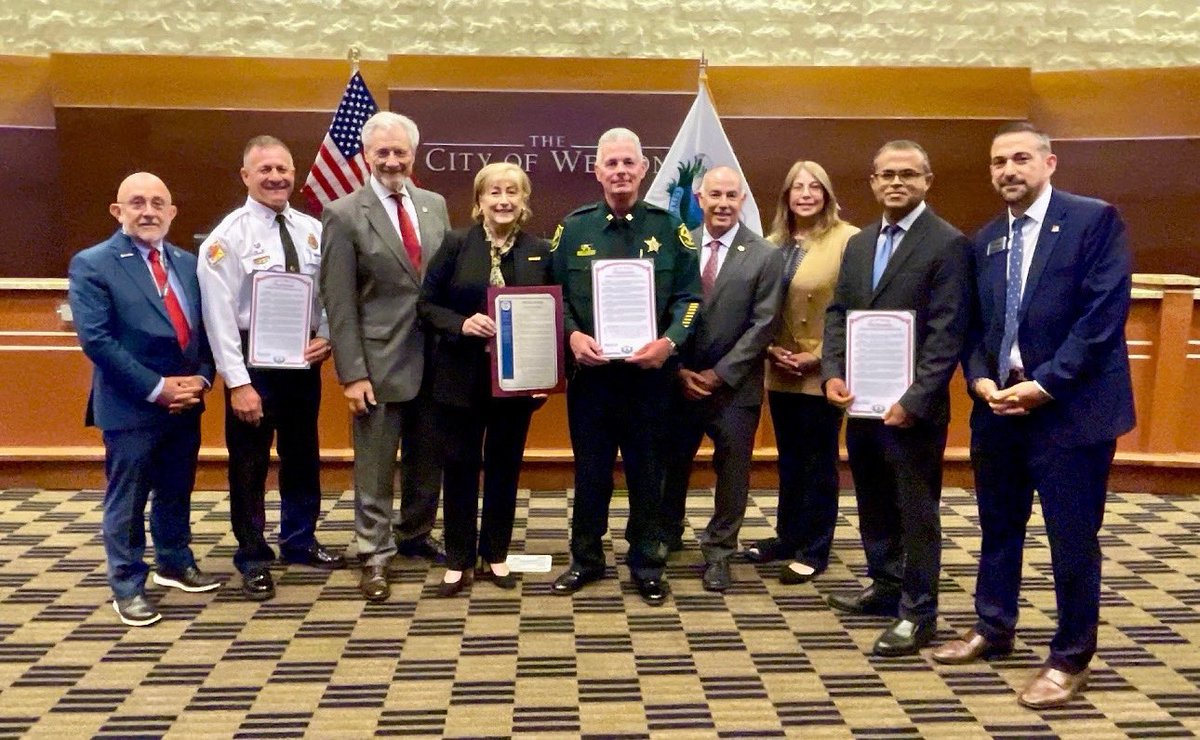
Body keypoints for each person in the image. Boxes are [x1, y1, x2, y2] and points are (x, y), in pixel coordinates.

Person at [932, 122, 1134, 709]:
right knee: (998, 527)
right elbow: (975, 327)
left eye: (1020, 158)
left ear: (1050, 162)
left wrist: (1044, 386)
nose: (1008, 171)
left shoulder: (1093, 220)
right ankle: (993, 626)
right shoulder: (986, 238)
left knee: (1071, 540)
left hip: (1070, 413)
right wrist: (979, 378)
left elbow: (1101, 319)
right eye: (998, 162)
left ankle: (1071, 658)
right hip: (999, 411)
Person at [822, 140, 970, 656]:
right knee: (872, 501)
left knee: (915, 510)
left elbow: (947, 333)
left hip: (914, 412)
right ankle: (885, 587)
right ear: (872, 181)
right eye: (886, 174)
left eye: (908, 174)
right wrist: (831, 374)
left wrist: (916, 399)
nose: (896, 183)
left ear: (927, 180)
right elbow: (839, 313)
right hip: (861, 403)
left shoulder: (948, 243)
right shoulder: (859, 243)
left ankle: (918, 611)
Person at [549, 127, 702, 606]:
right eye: (610, 163)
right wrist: (572, 335)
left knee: (647, 471)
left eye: (627, 163)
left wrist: (670, 342)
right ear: (597, 171)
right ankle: (586, 558)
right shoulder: (572, 229)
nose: (619, 171)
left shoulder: (669, 229)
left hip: (649, 379)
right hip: (592, 380)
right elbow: (554, 300)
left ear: (643, 169)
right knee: (591, 472)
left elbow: (690, 299)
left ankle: (646, 563)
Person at [68, 172, 220, 627]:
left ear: (172, 212)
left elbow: (206, 330)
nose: (148, 211)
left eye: (158, 203)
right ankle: (128, 583)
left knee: (176, 487)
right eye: (137, 202)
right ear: (118, 212)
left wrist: (202, 379)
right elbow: (96, 340)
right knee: (128, 499)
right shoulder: (93, 264)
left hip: (186, 401)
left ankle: (174, 560)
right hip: (131, 404)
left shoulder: (189, 263)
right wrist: (158, 388)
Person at [197, 136, 345, 603]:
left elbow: (327, 294)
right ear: (246, 176)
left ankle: (300, 539)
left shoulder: (311, 229)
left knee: (303, 452)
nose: (276, 177)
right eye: (265, 170)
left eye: (283, 168)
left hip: (301, 359)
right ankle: (253, 556)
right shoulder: (227, 239)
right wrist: (238, 383)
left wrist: (327, 336)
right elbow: (218, 317)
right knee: (250, 463)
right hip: (252, 362)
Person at [320, 111, 451, 602]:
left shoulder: (434, 204)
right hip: (377, 363)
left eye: (401, 152)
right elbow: (338, 299)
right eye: (383, 152)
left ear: (413, 156)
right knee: (375, 466)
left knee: (426, 459)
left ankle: (414, 535)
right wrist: (351, 373)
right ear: (366, 156)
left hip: (435, 360)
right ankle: (373, 553)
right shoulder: (344, 213)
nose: (392, 160)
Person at [418, 162, 553, 597]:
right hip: (460, 379)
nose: (503, 200)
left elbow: (553, 316)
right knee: (459, 468)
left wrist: (545, 373)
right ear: (479, 201)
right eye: (494, 192)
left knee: (504, 469)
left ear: (524, 200)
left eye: (512, 192)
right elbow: (426, 306)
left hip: (516, 384)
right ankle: (458, 559)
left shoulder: (539, 250)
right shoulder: (456, 244)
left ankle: (495, 553)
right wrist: (461, 324)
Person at [659, 166, 782, 592]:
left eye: (731, 195)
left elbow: (763, 324)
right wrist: (677, 371)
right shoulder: (680, 246)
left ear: (742, 199)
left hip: (734, 388)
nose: (723, 203)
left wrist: (721, 374)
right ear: (700, 198)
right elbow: (662, 311)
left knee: (732, 473)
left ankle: (719, 551)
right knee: (671, 465)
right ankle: (666, 535)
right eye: (715, 195)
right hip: (680, 382)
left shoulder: (765, 254)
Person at [744, 160, 859, 585]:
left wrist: (822, 356)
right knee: (789, 458)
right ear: (786, 196)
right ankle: (788, 537)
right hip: (781, 368)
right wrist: (770, 348)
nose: (806, 194)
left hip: (821, 371)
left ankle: (815, 547)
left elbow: (855, 305)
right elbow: (762, 305)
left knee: (818, 459)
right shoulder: (772, 242)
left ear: (827, 194)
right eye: (797, 187)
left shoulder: (848, 240)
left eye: (815, 187)